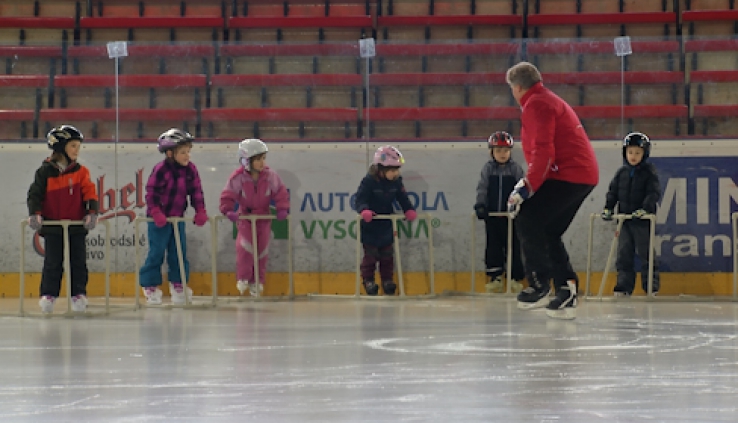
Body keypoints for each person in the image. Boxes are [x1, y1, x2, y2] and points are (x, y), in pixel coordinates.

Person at [505, 61, 599, 320]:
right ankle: (566, 289)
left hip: (570, 174)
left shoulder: (537, 104)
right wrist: (530, 183)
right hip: (577, 174)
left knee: (528, 217)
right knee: (548, 230)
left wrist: (527, 186)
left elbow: (544, 151)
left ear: (518, 87)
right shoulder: (545, 100)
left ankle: (539, 284)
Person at [27, 125, 99, 313]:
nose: (77, 150)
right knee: (52, 262)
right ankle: (49, 294)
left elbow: (89, 192)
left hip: (75, 226)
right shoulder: (44, 172)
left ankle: (78, 294)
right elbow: (35, 194)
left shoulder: (81, 172)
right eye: (73, 146)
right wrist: (35, 213)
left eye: (78, 146)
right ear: (60, 148)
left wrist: (92, 212)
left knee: (78, 261)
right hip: (53, 226)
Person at [139, 128, 209, 305]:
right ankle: (150, 285)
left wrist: (200, 210)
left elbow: (196, 192)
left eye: (188, 152)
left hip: (177, 219)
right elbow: (151, 192)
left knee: (178, 252)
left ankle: (178, 284)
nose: (187, 156)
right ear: (170, 153)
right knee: (156, 252)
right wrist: (155, 211)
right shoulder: (161, 170)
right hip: (158, 220)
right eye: (183, 152)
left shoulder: (190, 170)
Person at [219, 138, 289, 296]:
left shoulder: (270, 176)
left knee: (262, 250)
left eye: (263, 158)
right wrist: (227, 210)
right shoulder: (238, 177)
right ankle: (243, 277)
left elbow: (280, 193)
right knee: (245, 247)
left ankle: (257, 281)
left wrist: (282, 208)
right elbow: (228, 194)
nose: (262, 162)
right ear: (246, 160)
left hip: (264, 217)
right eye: (257, 159)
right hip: (246, 217)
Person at [602, 132, 661, 296]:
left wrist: (645, 209)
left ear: (644, 154)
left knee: (646, 253)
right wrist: (608, 208)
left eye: (637, 153)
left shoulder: (649, 172)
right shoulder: (621, 173)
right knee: (623, 253)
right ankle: (623, 286)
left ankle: (651, 286)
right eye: (630, 152)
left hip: (642, 220)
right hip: (624, 220)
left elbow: (653, 193)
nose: (633, 156)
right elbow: (613, 192)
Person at [354, 146, 417, 296]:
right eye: (392, 170)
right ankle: (368, 281)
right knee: (370, 256)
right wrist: (364, 210)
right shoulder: (369, 181)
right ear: (381, 169)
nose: (396, 173)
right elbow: (359, 199)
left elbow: (402, 197)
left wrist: (408, 209)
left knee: (387, 256)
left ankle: (387, 280)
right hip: (370, 226)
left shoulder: (396, 182)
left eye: (397, 169)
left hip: (386, 225)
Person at [474, 131, 526, 293]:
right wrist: (481, 204)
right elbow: (482, 187)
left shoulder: (516, 169)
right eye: (498, 151)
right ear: (492, 152)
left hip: (512, 217)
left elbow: (522, 188)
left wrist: (523, 207)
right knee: (494, 246)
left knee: (514, 247)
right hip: (493, 216)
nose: (502, 154)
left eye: (505, 151)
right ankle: (495, 277)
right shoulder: (488, 169)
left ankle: (514, 278)